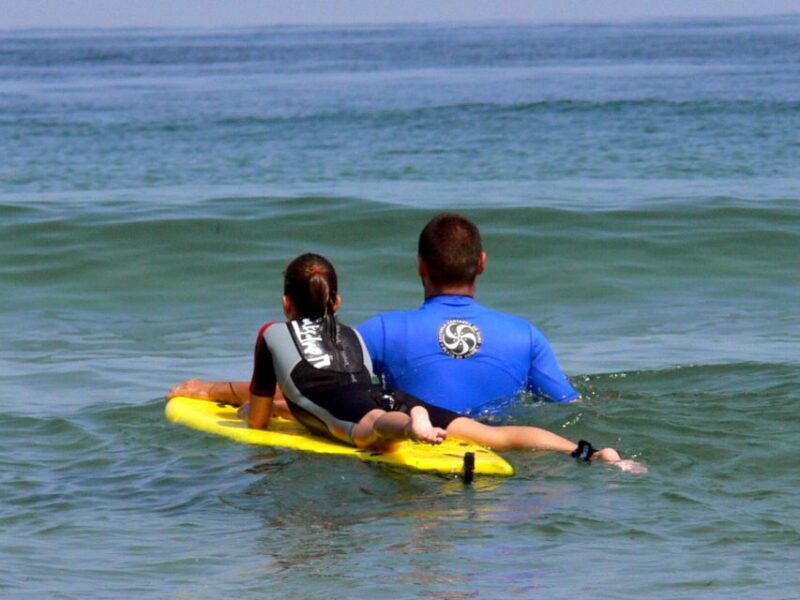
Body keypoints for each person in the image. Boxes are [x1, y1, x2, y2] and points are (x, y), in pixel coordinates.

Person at [168, 253, 622, 463]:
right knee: (492, 435)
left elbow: (261, 422)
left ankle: (411, 424)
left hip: (369, 411)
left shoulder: (272, 335)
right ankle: (589, 453)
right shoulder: (350, 335)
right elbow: (342, 384)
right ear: (338, 302)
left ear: (286, 305)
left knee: (371, 433)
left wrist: (239, 403)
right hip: (385, 392)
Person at [358, 212, 579, 414]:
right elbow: (570, 406)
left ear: (421, 266)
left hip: (419, 446)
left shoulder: (381, 332)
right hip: (496, 451)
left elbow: (332, 388)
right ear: (482, 263)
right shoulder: (526, 336)